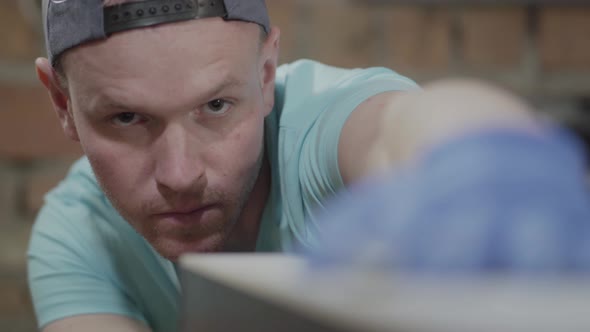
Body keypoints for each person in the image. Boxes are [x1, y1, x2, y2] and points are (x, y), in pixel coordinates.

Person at [27, 0, 576, 331]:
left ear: (266, 75)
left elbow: (403, 125)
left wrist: (483, 155)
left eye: (216, 106)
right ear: (62, 104)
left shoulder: (318, 127)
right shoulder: (79, 235)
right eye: (126, 118)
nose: (179, 174)